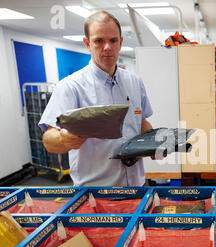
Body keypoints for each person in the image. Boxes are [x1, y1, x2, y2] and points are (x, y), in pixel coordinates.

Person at [39, 10, 154, 186]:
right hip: (95, 193)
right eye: (99, 41)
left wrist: (155, 142)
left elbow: (141, 121)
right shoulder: (71, 86)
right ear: (87, 43)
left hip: (137, 187)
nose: (107, 47)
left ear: (120, 42)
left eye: (113, 40)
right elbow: (49, 140)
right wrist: (64, 139)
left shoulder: (134, 82)